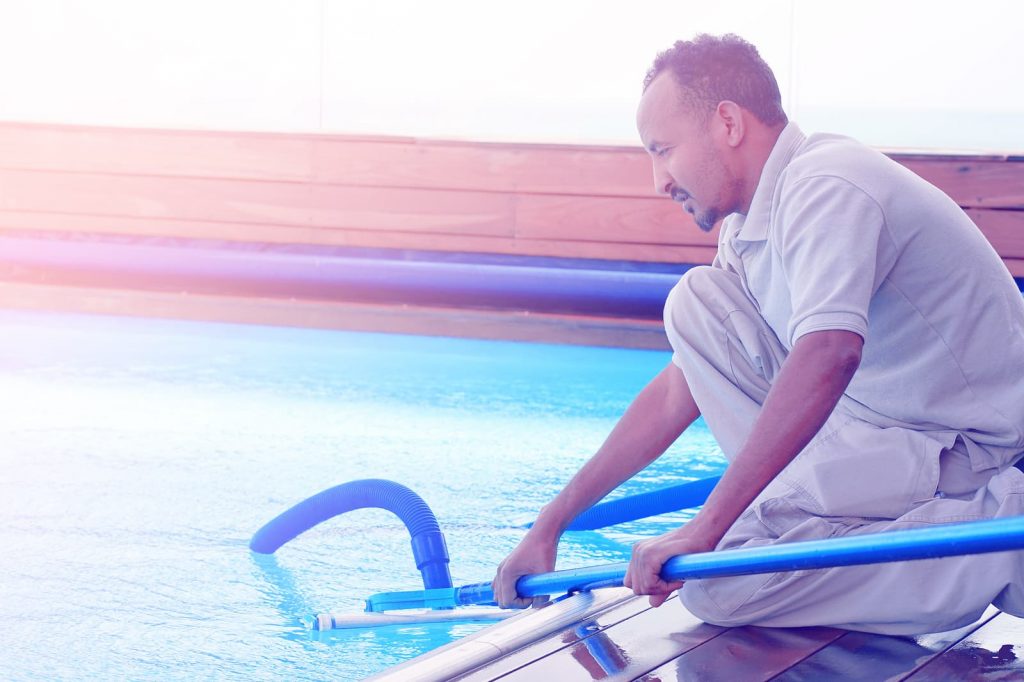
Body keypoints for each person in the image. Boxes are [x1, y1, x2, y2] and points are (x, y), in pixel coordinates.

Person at [492, 33, 1024, 635]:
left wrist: (706, 524)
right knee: (695, 305)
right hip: (883, 435)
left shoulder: (828, 183)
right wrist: (551, 522)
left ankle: (994, 546)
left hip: (967, 453)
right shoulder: (748, 229)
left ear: (727, 123)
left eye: (663, 150)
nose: (658, 180)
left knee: (720, 583)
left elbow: (829, 354)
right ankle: (845, 518)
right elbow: (677, 392)